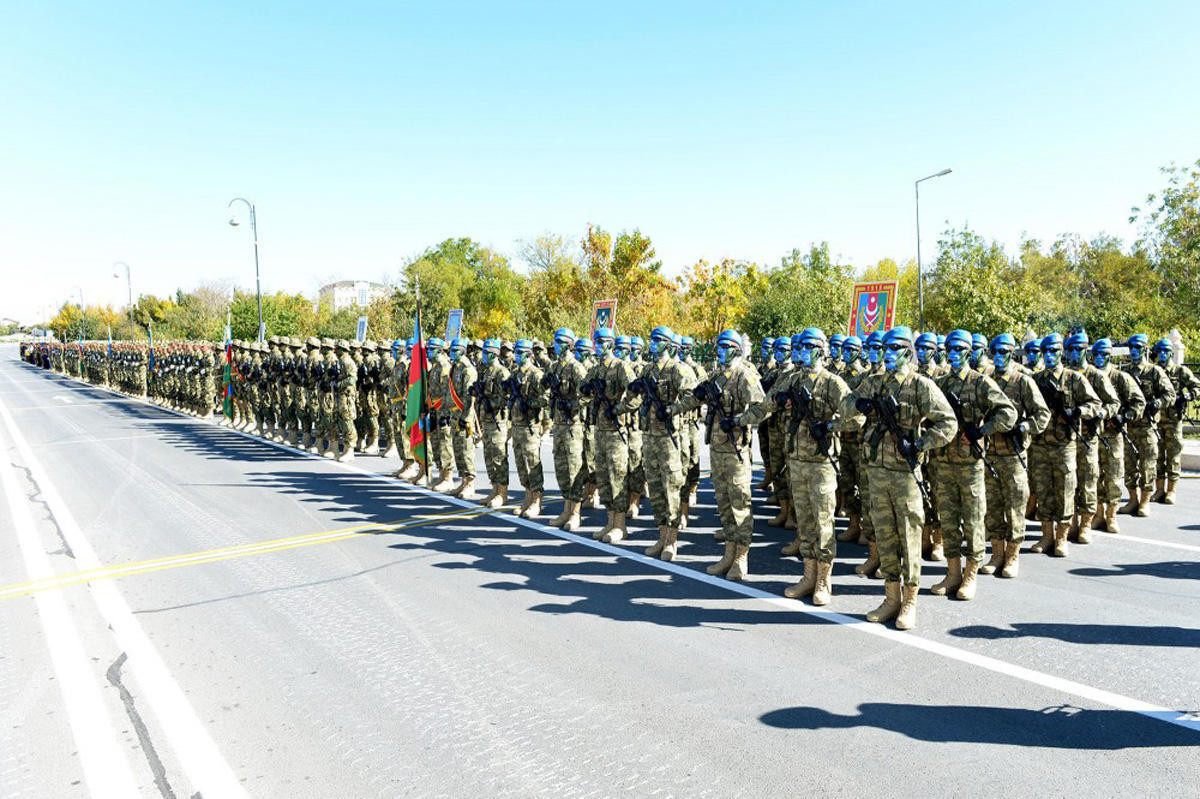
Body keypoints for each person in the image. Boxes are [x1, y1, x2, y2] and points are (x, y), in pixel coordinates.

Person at [844, 326, 957, 630]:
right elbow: (844, 409)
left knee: (908, 537)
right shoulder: (875, 382)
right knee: (884, 535)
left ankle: (909, 601)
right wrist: (859, 405)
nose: (888, 354)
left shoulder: (920, 385)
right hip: (876, 471)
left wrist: (920, 443)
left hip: (905, 474)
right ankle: (890, 597)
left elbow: (948, 424)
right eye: (886, 349)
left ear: (908, 352)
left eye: (895, 349)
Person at [740, 328, 849, 604]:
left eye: (809, 346)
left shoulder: (833, 383)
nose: (802, 351)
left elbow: (857, 417)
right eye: (800, 346)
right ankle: (808, 575)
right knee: (805, 521)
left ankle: (824, 580)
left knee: (824, 522)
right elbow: (765, 407)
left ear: (821, 350)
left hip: (821, 464)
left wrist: (831, 426)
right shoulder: (789, 380)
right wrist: (741, 420)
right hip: (796, 463)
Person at [931, 330, 1017, 600]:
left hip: (969, 464)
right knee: (948, 520)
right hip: (943, 462)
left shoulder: (981, 383)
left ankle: (970, 576)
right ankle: (952, 573)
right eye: (950, 349)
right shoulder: (940, 383)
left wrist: (984, 430)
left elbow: (1009, 413)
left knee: (973, 522)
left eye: (958, 349)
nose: (953, 354)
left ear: (969, 352)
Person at [685, 330, 763, 581]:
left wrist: (740, 420)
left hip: (736, 450)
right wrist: (677, 406)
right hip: (717, 450)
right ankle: (729, 553)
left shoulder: (745, 375)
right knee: (724, 505)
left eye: (725, 346)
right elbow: (696, 398)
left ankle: (741, 558)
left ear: (736, 349)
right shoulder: (717, 374)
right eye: (719, 345)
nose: (719, 349)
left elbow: (762, 407)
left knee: (740, 504)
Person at [1029, 334, 1102, 557]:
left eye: (1053, 351)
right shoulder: (1036, 379)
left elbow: (1095, 404)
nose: (1049, 356)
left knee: (1065, 490)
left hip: (1064, 445)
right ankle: (1046, 536)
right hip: (1040, 445)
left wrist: (1078, 412)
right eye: (1046, 352)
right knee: (1043, 490)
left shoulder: (1074, 379)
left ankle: (1062, 537)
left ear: (1061, 352)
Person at [632, 326, 696, 560]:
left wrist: (673, 409)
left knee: (671, 489)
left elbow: (693, 396)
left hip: (669, 439)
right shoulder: (648, 369)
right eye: (652, 339)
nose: (653, 343)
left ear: (669, 345)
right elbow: (635, 397)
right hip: (649, 438)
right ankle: (661, 536)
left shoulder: (678, 369)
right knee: (657, 490)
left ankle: (672, 540)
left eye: (658, 340)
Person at [585, 327, 640, 543]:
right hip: (600, 431)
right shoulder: (597, 368)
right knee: (604, 478)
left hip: (617, 432)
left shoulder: (621, 367)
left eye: (601, 342)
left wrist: (618, 408)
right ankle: (609, 522)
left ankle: (620, 526)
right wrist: (590, 388)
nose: (597, 346)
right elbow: (584, 389)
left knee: (617, 478)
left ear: (610, 344)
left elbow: (637, 396)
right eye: (596, 342)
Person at [1064, 332, 1120, 544]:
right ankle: (1071, 524)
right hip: (1066, 439)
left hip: (1087, 437)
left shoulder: (1096, 376)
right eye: (1071, 349)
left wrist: (1096, 414)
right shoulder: (1065, 375)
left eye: (1079, 349)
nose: (1075, 353)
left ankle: (1086, 524)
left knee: (1088, 480)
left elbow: (1112, 403)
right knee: (1069, 484)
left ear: (1086, 350)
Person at [1089, 338, 1144, 534]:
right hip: (1091, 435)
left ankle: (1111, 516)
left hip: (1112, 436)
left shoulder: (1121, 377)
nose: (1100, 358)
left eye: (1105, 354)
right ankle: (1098, 514)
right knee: (1093, 477)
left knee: (1113, 477)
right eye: (1097, 354)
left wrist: (1124, 417)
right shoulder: (1088, 376)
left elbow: (1139, 402)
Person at [1119, 334, 1175, 516]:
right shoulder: (1124, 372)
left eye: (1137, 347)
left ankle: (1144, 502)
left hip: (1147, 427)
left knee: (1148, 465)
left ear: (1145, 349)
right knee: (1129, 466)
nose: (1134, 351)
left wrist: (1157, 403)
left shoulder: (1154, 371)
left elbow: (1170, 394)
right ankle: (1132, 500)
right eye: (1132, 347)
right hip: (1129, 427)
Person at [545, 328, 590, 531]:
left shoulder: (576, 368)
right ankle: (565, 509)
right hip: (559, 425)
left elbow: (588, 394)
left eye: (558, 341)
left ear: (568, 344)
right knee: (561, 469)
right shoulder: (554, 366)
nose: (555, 345)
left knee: (574, 470)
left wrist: (572, 405)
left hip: (573, 426)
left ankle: (575, 513)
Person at [1151, 337, 1200, 504]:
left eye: (1166, 351)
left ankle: (1171, 490)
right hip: (1156, 419)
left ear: (1171, 353)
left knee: (1173, 455)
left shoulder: (1180, 371)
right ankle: (1159, 489)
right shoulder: (1154, 371)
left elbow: (1197, 387)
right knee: (1157, 455)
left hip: (1173, 420)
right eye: (1160, 351)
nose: (1163, 354)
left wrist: (1186, 396)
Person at [508, 339, 546, 517]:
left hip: (530, 426)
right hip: (516, 425)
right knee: (521, 464)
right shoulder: (515, 373)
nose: (516, 355)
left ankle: (536, 501)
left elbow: (545, 398)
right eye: (515, 352)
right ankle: (527, 498)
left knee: (532, 464)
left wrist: (530, 403)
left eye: (519, 352)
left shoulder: (536, 374)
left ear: (528, 354)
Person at [474, 339, 511, 508]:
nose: (483, 356)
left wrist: (491, 403)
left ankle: (502, 493)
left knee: (498, 458)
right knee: (488, 457)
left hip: (497, 421)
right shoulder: (486, 371)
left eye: (486, 353)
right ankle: (494, 490)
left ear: (494, 354)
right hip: (486, 420)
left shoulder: (502, 372)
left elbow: (507, 397)